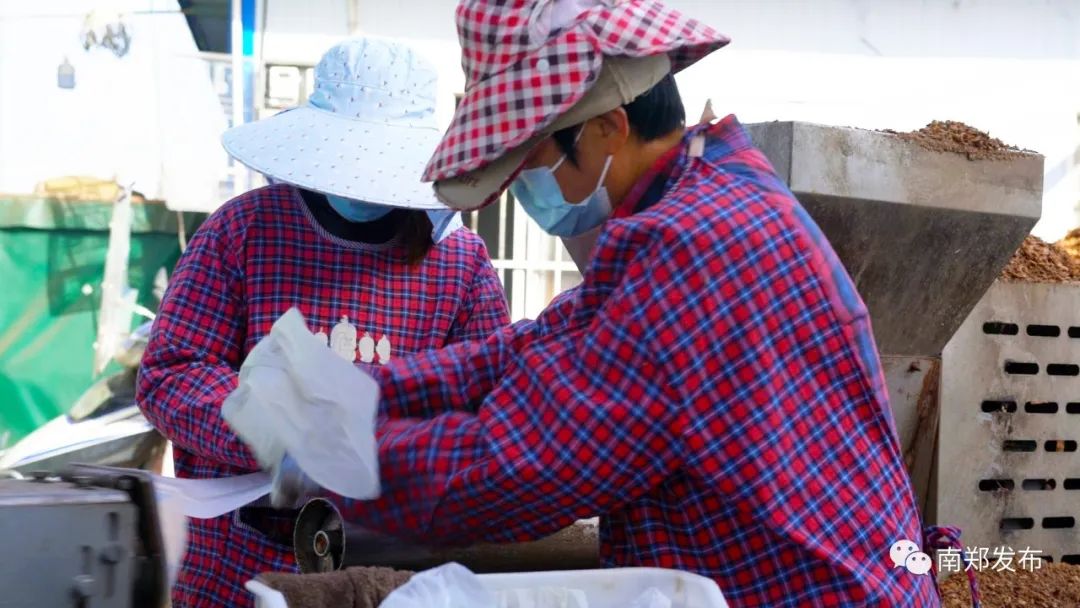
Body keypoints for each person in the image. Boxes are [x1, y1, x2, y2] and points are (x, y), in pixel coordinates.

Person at [243, 1, 940, 605]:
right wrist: (356, 389)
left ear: (607, 126)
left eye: (531, 158)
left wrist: (334, 451)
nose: (522, 186)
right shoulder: (699, 196)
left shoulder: (696, 251)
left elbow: (520, 464)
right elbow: (531, 347)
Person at [137, 37, 510, 607]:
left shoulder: (460, 265)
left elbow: (491, 400)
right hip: (238, 564)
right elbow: (170, 371)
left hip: (392, 567)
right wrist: (267, 428)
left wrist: (403, 446)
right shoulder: (243, 232)